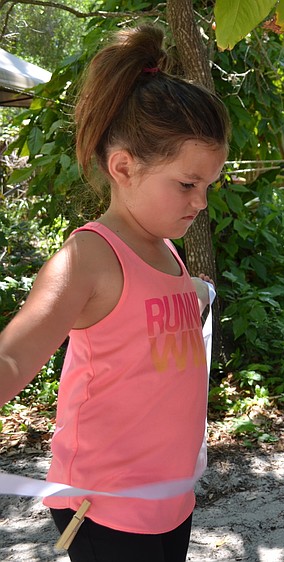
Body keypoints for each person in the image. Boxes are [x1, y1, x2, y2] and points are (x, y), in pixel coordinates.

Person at [0, 25, 230, 562]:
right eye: (186, 184)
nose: (200, 203)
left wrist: (195, 294)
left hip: (167, 501)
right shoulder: (89, 259)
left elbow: (143, 330)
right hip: (102, 509)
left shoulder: (165, 250)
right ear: (124, 167)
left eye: (208, 187)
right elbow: (12, 357)